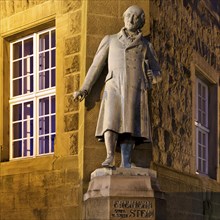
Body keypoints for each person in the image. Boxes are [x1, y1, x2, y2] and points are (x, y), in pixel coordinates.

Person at [73, 5, 161, 168]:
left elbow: (157, 71)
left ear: (142, 21)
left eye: (135, 16)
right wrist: (85, 88)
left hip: (135, 87)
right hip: (114, 85)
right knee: (110, 120)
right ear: (123, 17)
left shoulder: (146, 45)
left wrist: (153, 77)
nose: (131, 19)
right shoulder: (110, 39)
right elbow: (96, 66)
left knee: (130, 124)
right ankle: (109, 156)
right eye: (128, 15)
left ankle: (126, 162)